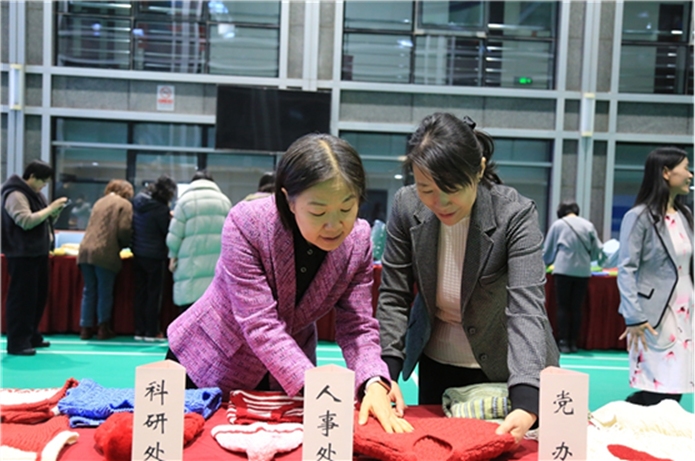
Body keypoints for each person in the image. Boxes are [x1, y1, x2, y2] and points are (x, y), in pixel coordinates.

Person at [167, 133, 413, 434]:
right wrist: (321, 391)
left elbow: (357, 325)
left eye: (346, 209)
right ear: (289, 199)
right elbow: (260, 323)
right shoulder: (247, 224)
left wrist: (372, 380)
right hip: (211, 361)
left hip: (288, 376)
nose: (334, 225)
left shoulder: (358, 240)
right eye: (318, 211)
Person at [376, 113, 559, 444]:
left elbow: (526, 309)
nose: (440, 203)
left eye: (452, 189)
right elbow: (394, 294)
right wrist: (383, 373)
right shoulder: (406, 205)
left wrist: (527, 399)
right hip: (437, 364)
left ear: (478, 170)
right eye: (426, 189)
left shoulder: (514, 214)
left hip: (508, 367)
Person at [617, 146, 695, 406]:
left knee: (677, 384)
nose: (690, 175)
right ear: (665, 172)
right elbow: (626, 268)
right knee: (656, 386)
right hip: (653, 316)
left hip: (687, 312)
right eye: (685, 168)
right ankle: (622, 420)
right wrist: (633, 316)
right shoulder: (638, 217)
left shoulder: (685, 215)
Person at [0, 160, 68, 356]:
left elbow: (43, 220)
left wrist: (54, 213)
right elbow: (25, 221)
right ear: (31, 177)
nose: (44, 186)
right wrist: (50, 208)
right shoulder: (15, 194)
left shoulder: (35, 194)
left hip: (38, 252)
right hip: (22, 254)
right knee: (22, 299)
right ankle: (17, 342)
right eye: (42, 181)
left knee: (37, 297)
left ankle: (31, 335)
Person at [166, 170, 232, 312]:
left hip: (189, 267)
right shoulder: (224, 201)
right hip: (215, 268)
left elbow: (174, 236)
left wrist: (172, 255)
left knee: (188, 315)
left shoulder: (185, 201)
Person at [77, 179, 134, 341]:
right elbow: (124, 229)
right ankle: (103, 328)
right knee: (104, 292)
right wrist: (125, 244)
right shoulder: (124, 204)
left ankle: (85, 328)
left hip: (85, 251)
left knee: (89, 291)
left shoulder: (99, 202)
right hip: (105, 252)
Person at [543, 201, 603, 354]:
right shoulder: (588, 225)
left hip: (563, 270)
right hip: (583, 271)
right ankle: (574, 342)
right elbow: (597, 250)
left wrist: (545, 263)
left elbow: (548, 250)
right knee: (577, 307)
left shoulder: (558, 225)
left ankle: (563, 342)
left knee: (562, 306)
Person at [131, 175, 177, 341]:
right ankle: (151, 331)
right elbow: (166, 231)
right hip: (155, 255)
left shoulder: (138, 202)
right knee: (154, 294)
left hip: (137, 252)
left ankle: (139, 330)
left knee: (140, 293)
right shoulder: (160, 208)